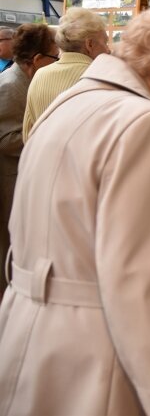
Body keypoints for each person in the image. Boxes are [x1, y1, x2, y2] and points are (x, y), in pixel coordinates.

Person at [0, 0, 150, 415]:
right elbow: (141, 290)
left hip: (26, 332)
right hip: (95, 353)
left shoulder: (69, 101)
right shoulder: (144, 122)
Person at [0, 23, 58, 298]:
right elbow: (7, 140)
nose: (57, 63)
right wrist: (48, 134)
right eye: (54, 57)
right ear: (37, 60)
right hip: (10, 181)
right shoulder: (10, 86)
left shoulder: (25, 82)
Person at [23, 7, 111, 140]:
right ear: (90, 44)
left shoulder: (39, 75)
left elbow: (27, 135)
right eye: (105, 42)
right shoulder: (102, 78)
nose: (108, 50)